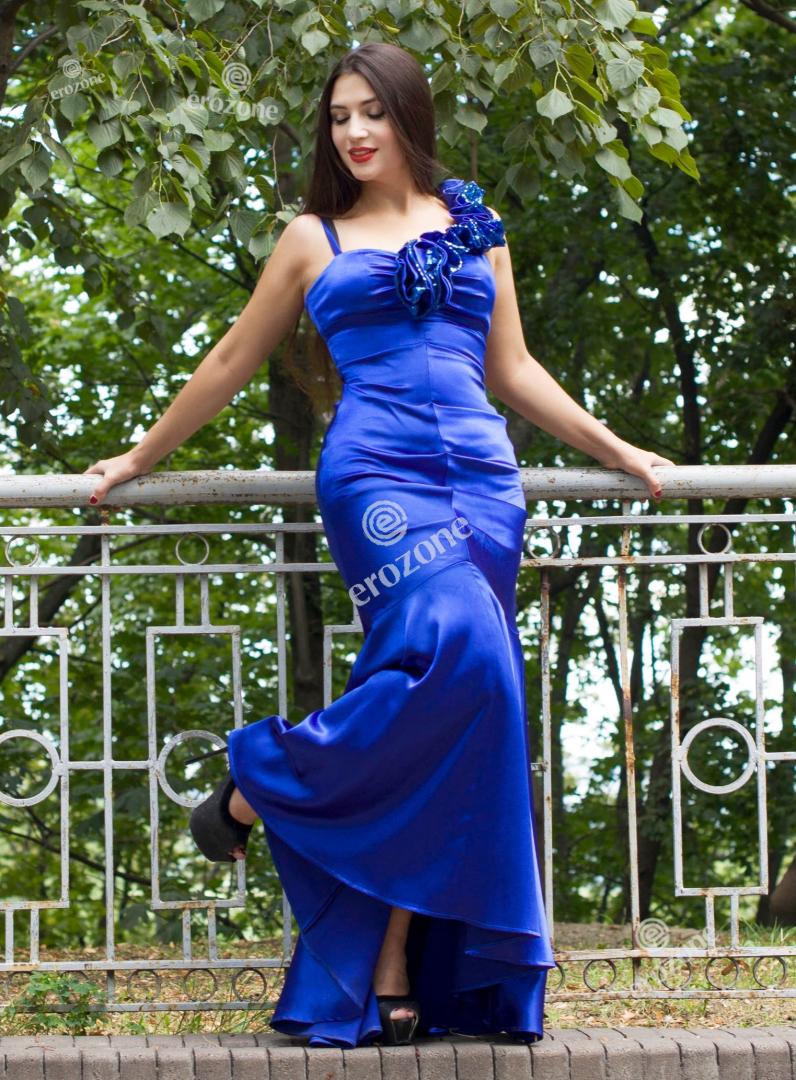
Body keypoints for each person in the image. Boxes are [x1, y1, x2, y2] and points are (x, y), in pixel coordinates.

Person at [85, 41, 675, 1049]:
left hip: (483, 483)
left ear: (410, 117)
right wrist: (139, 457)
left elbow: (513, 368)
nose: (354, 132)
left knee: (469, 706)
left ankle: (390, 955)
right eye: (338, 117)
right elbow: (230, 357)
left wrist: (617, 448)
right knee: (464, 654)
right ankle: (262, 777)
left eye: (372, 112)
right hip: (378, 482)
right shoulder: (311, 238)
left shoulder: (475, 224)